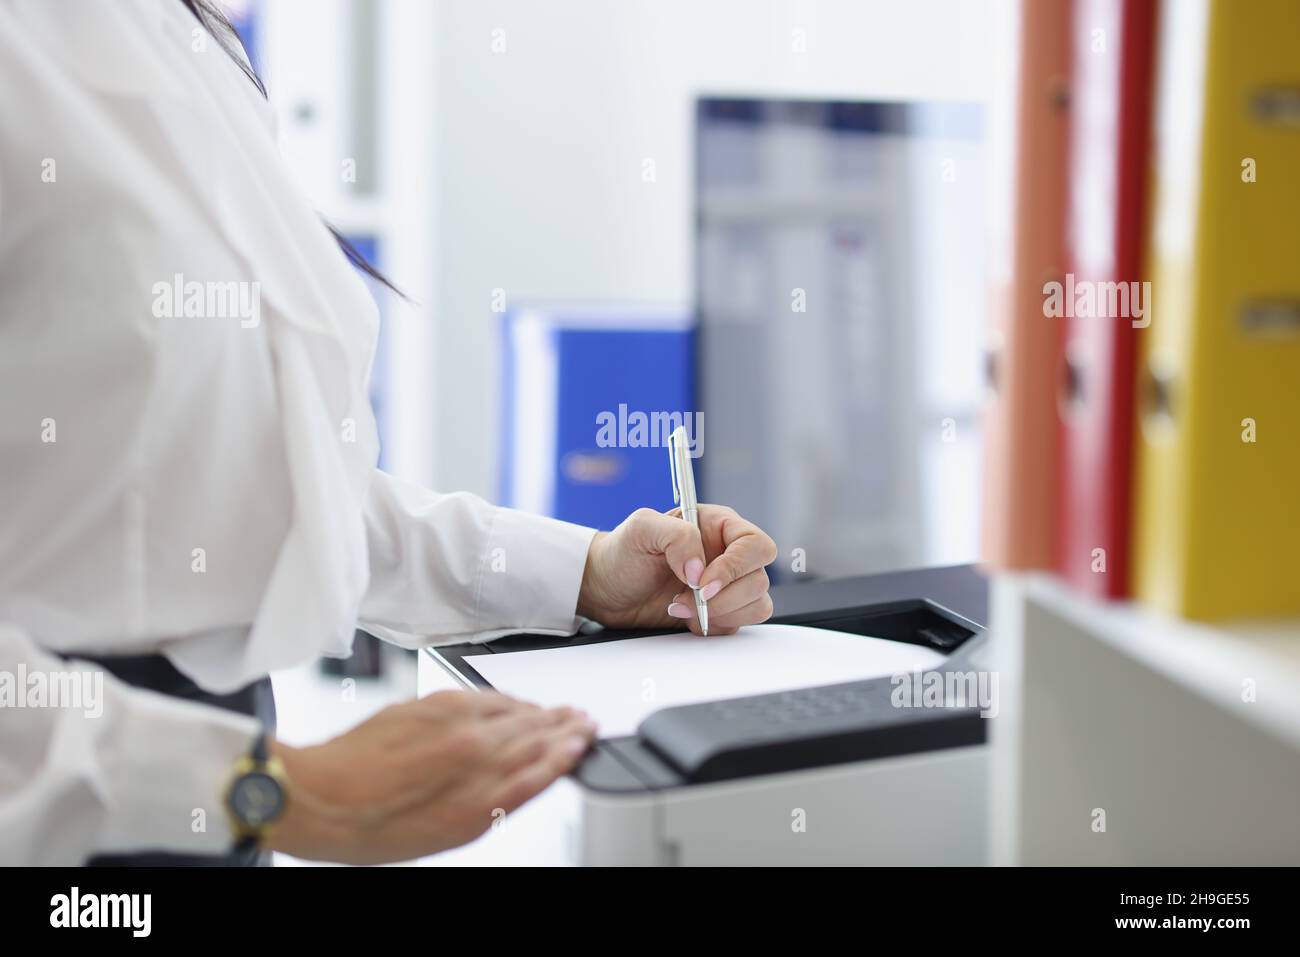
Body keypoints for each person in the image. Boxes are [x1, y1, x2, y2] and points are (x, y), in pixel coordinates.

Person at [0, 0, 776, 866]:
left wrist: (585, 573)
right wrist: (271, 787)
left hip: (216, 793)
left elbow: (247, 488)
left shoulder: (186, 41)